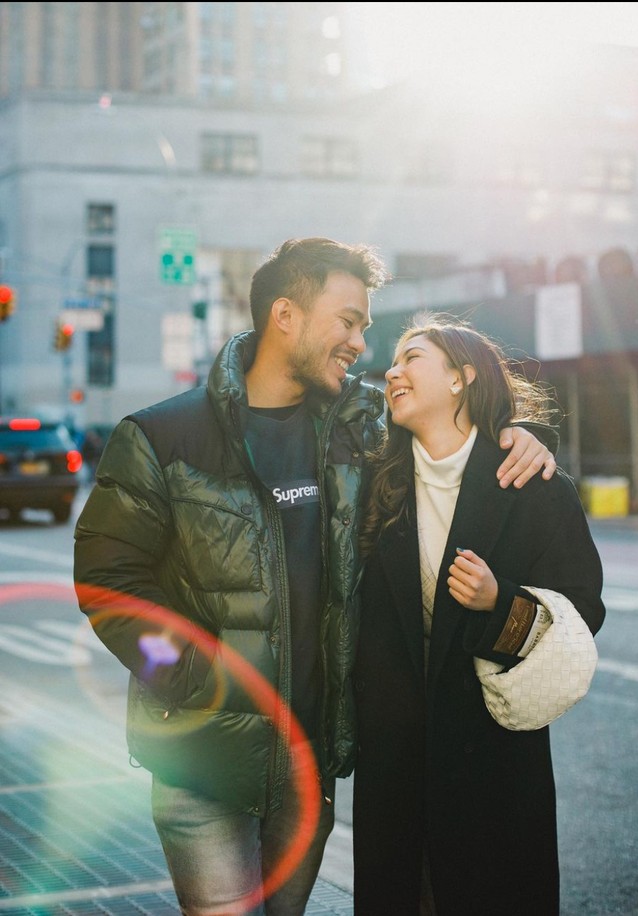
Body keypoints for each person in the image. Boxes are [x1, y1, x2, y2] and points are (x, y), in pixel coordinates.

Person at [73, 239, 556, 916]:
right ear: (286, 316)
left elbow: (455, 435)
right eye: (348, 321)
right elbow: (108, 577)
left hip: (309, 763)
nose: (362, 342)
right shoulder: (162, 436)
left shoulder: (362, 428)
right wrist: (188, 671)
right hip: (202, 762)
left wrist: (524, 436)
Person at [352, 316, 606, 916]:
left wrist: (501, 604)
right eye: (393, 362)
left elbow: (583, 609)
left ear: (461, 377)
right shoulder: (371, 482)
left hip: (492, 757)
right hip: (393, 756)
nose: (392, 372)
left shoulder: (534, 484)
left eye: (412, 358)